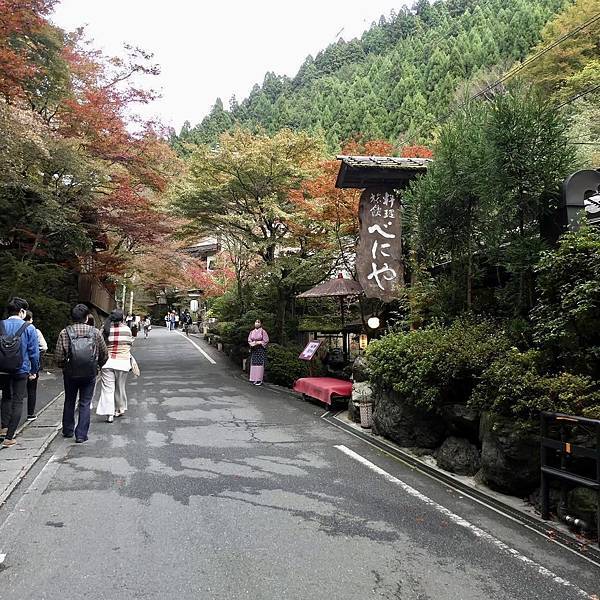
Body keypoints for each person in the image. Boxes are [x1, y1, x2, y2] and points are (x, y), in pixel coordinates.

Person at [54, 303, 108, 443]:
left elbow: (59, 356)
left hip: (70, 373)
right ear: (87, 317)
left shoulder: (64, 332)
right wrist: (98, 366)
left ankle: (67, 430)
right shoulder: (95, 332)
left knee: (69, 400)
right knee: (85, 402)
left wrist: (64, 367)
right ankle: (81, 434)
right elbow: (104, 353)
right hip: (89, 373)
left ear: (72, 317)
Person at [0, 298, 40, 448]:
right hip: (21, 369)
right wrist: (34, 370)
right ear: (22, 311)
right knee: (18, 401)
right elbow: (34, 353)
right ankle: (9, 437)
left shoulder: (1, 325)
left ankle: (3, 428)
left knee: (6, 397)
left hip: (2, 369)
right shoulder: (29, 328)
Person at [97, 309, 133, 423]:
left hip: (107, 362)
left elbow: (100, 344)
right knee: (120, 387)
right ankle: (119, 408)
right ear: (122, 318)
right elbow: (129, 343)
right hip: (122, 362)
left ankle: (109, 413)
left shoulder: (105, 329)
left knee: (108, 389)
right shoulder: (127, 330)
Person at [24, 310, 48, 421]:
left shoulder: (12, 328)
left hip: (15, 364)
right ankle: (30, 414)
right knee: (31, 390)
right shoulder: (35, 330)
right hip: (30, 364)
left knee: (13, 392)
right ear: (31, 319)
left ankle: (6, 422)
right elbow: (44, 347)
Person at [247, 319, 269, 386]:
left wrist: (260, 342)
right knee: (254, 364)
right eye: (256, 322)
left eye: (258, 322)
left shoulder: (263, 331)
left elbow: (266, 340)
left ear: (261, 323)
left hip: (260, 349)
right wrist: (252, 343)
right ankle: (254, 379)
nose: (257, 323)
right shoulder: (252, 332)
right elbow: (249, 340)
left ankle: (259, 380)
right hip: (254, 349)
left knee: (260, 364)